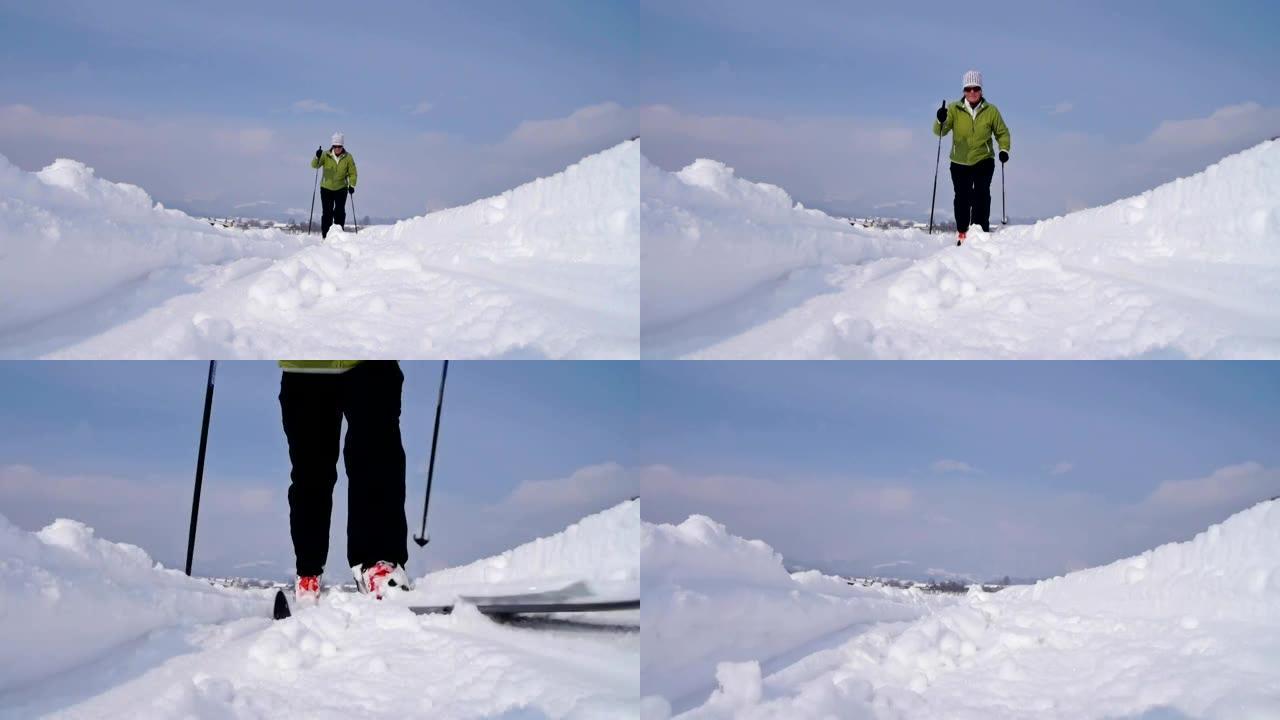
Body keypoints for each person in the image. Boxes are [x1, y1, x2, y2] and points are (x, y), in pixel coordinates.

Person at [278, 360, 411, 605]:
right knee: (311, 472)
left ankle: (379, 566)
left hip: (372, 357)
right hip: (306, 363)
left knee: (377, 458)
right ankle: (308, 572)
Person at [933, 70, 1011, 245]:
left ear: (981, 90)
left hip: (984, 159)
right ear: (963, 91)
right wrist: (941, 119)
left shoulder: (991, 111)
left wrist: (1004, 149)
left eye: (976, 88)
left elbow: (1002, 132)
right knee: (962, 197)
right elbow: (940, 132)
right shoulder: (953, 108)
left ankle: (980, 231)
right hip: (959, 161)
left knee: (981, 195)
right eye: (968, 89)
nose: (972, 92)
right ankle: (962, 232)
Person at [309, 132, 358, 239]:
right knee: (327, 213)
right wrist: (317, 157)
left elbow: (353, 173)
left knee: (339, 212)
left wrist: (352, 185)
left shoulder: (348, 157)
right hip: (326, 188)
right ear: (332, 146)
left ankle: (338, 236)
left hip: (341, 188)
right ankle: (325, 236)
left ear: (342, 146)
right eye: (335, 146)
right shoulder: (325, 155)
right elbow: (314, 166)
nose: (337, 149)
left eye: (339, 146)